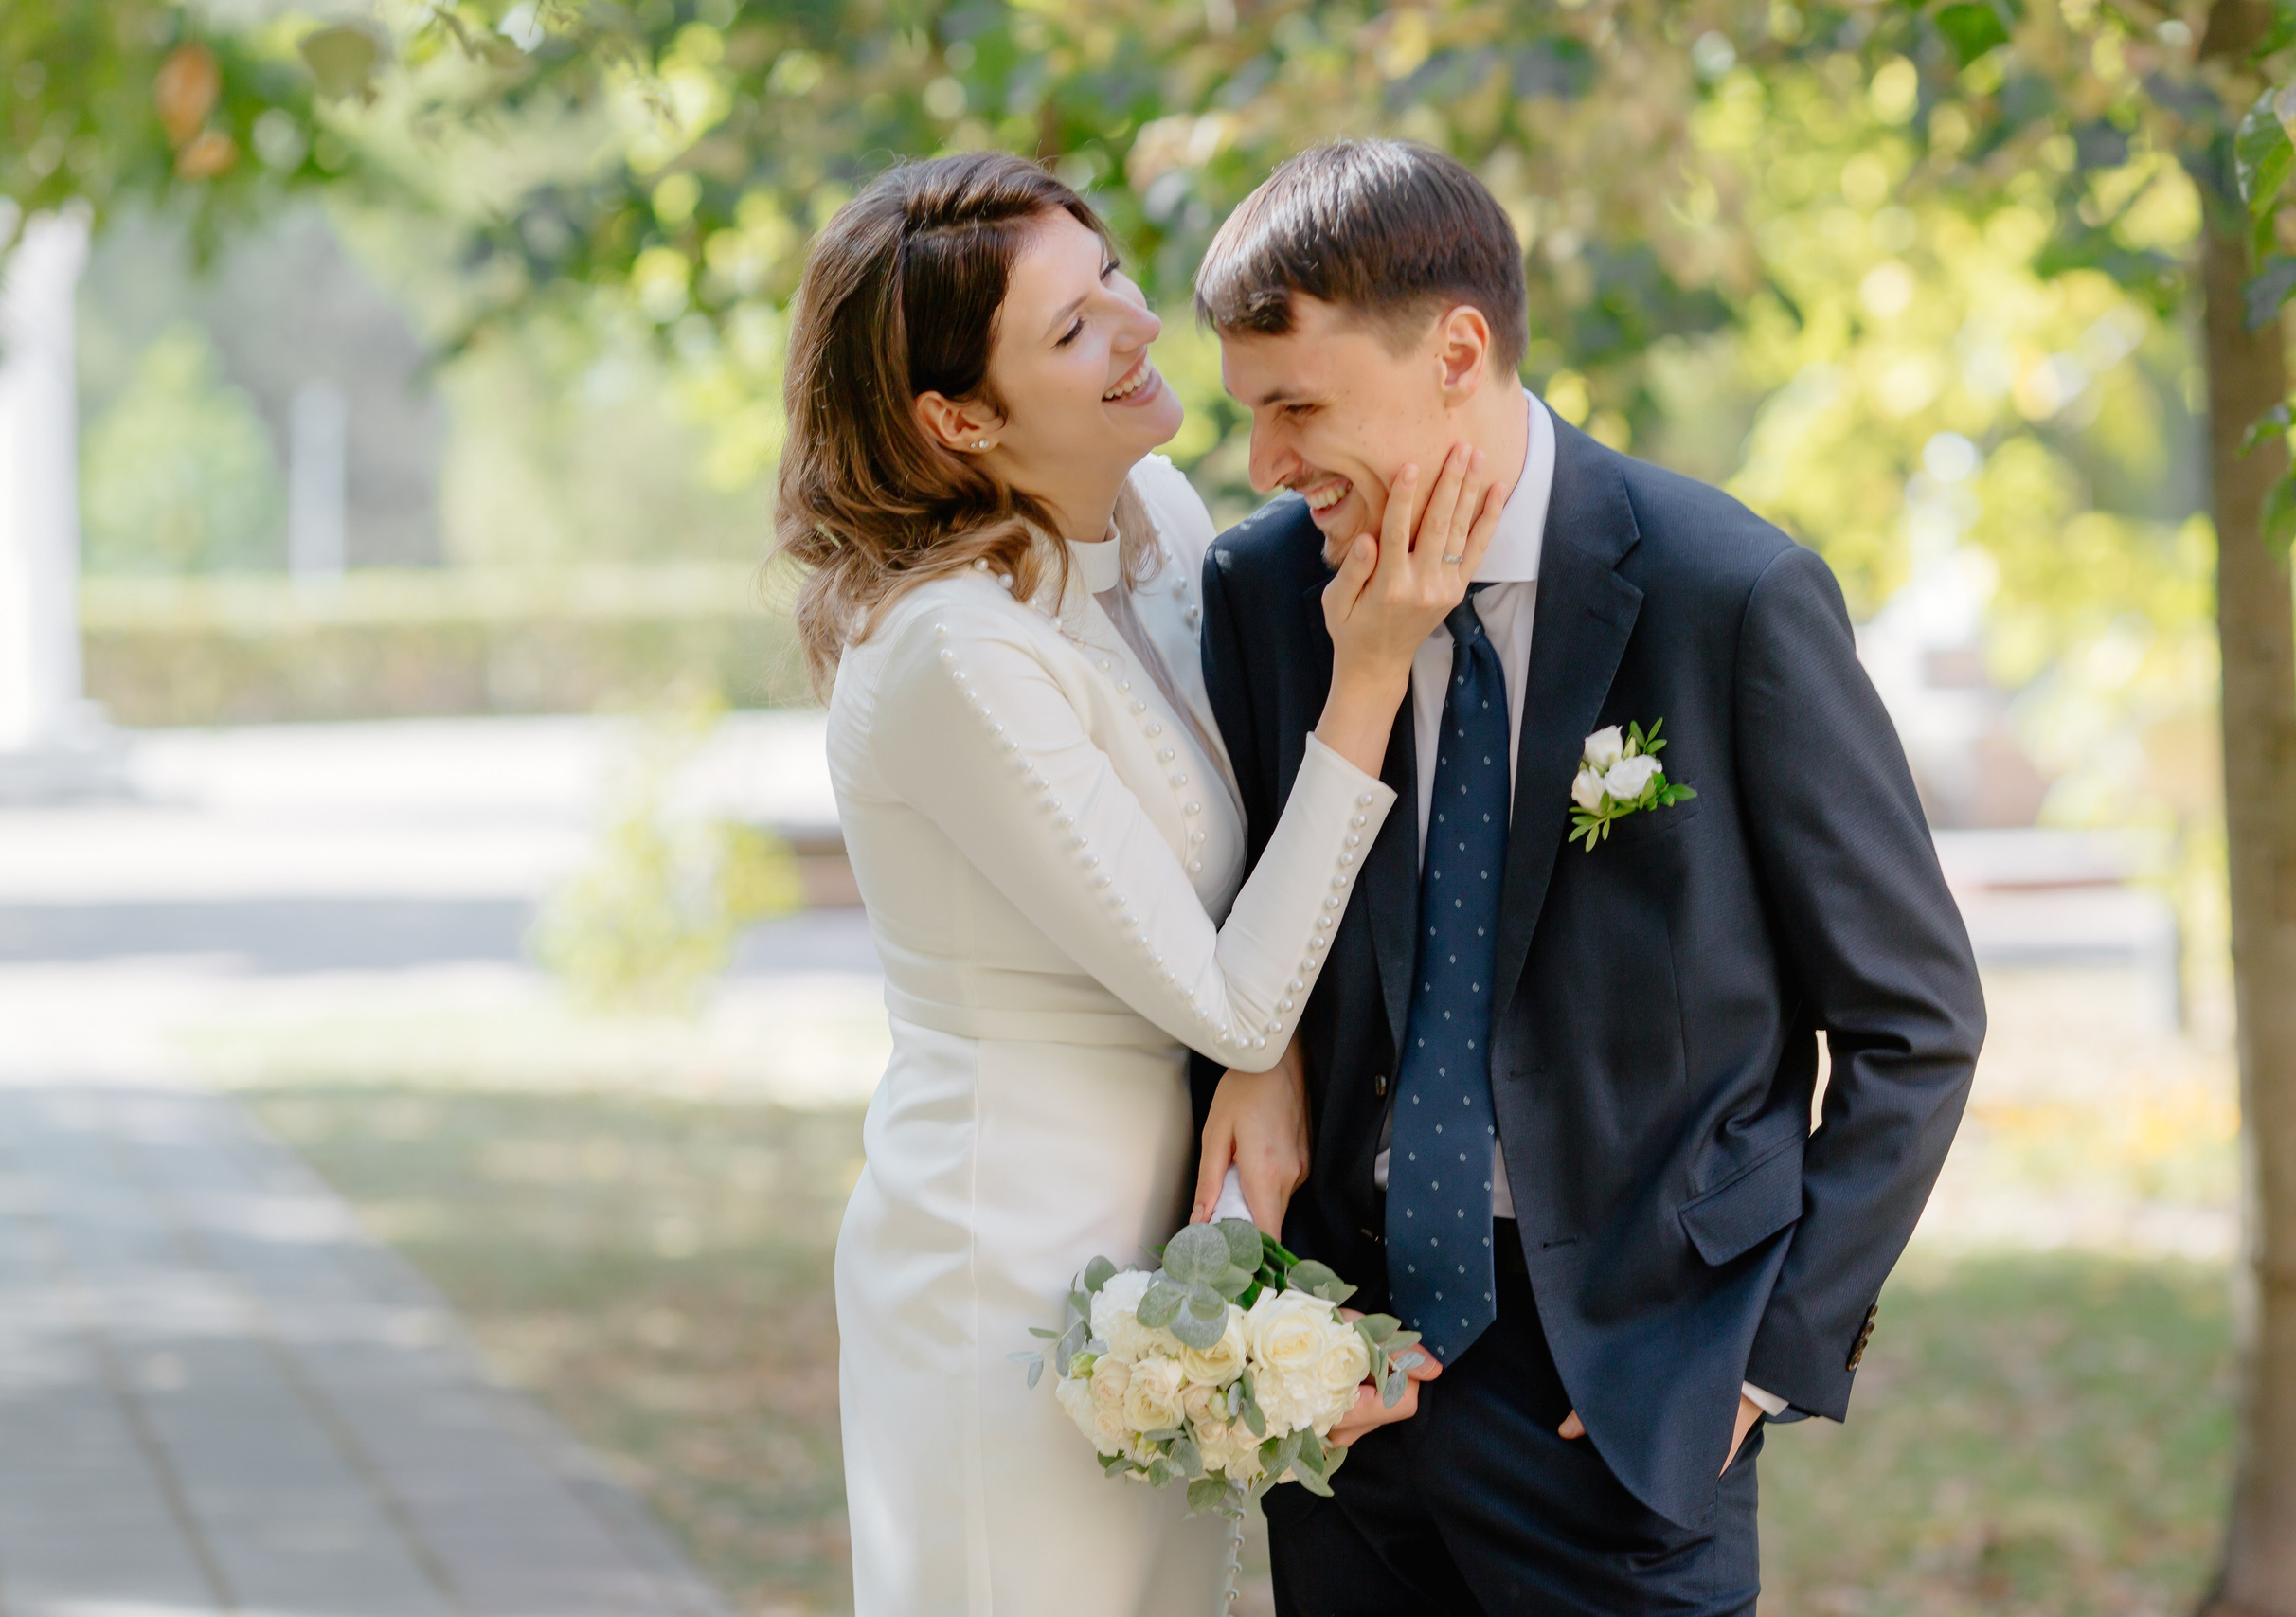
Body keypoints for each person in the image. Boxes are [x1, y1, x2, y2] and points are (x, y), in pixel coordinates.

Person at [1188, 139, 1987, 1615]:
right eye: (1252, 416)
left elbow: (1915, 1022)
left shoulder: (1726, 593)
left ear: (1458, 349)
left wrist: (1756, 1364)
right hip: (1347, 1386)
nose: (1271, 464)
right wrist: (1271, 1314)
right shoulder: (1261, 595)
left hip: (1625, 1397)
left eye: (1297, 406)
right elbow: (1246, 954)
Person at [778, 152, 1503, 1617]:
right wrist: (1369, 672)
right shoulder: (949, 653)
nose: (1137, 326)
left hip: (1169, 1232)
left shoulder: (1159, 514)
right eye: (1071, 328)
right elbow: (1233, 992)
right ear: (959, 417)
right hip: (1010, 1245)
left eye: (1110, 276)